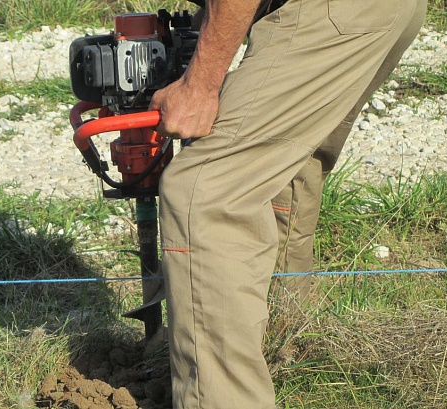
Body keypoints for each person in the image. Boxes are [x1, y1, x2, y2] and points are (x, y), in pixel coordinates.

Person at [149, 0, 428, 407]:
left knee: (206, 189)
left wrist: (201, 86)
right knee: (285, 161)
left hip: (334, 11)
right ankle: (283, 349)